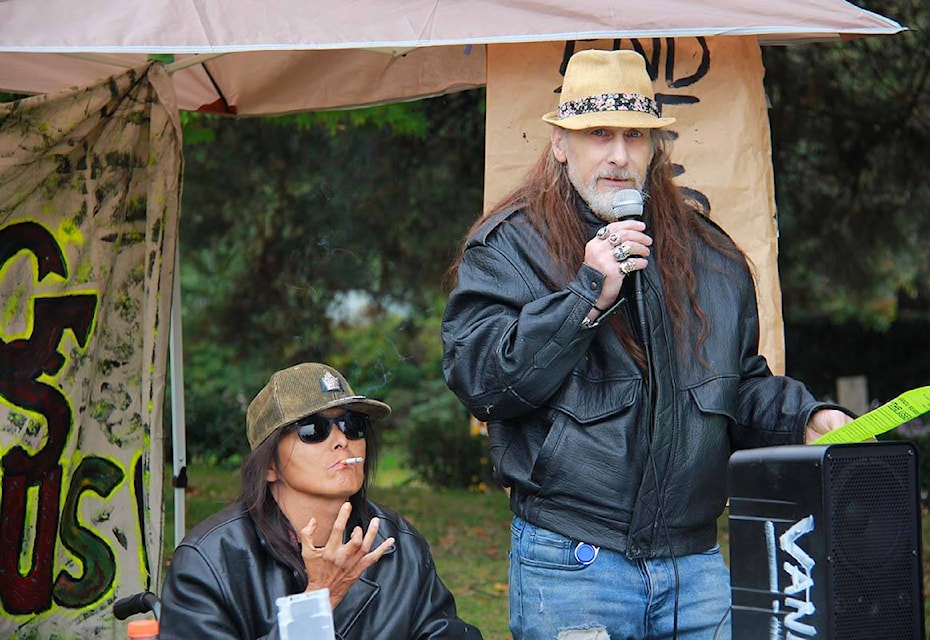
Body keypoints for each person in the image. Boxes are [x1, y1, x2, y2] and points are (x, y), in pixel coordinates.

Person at [440, 49, 853, 640]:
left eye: (634, 135)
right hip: (573, 559)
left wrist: (803, 419)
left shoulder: (712, 255)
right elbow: (483, 380)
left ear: (656, 146)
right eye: (598, 134)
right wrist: (586, 294)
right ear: (560, 144)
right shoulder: (509, 246)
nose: (618, 154)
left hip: (695, 565)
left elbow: (738, 384)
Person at [159, 362, 483, 640]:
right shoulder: (210, 562)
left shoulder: (398, 545)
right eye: (313, 429)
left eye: (352, 425)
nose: (342, 440)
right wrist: (320, 599)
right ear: (269, 464)